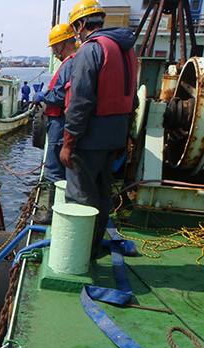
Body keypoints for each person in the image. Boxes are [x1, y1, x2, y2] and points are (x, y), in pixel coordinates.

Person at [60, 0, 138, 259]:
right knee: (103, 193)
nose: (76, 34)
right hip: (115, 136)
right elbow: (133, 100)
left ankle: (76, 256)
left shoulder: (90, 50)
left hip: (90, 138)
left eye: (75, 29)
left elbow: (80, 101)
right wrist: (126, 136)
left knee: (79, 194)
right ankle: (92, 249)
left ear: (81, 25)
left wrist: (68, 143)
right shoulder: (127, 51)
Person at [32, 23, 77, 224]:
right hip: (60, 121)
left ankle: (53, 213)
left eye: (53, 47)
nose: (52, 51)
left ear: (61, 44)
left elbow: (61, 95)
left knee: (54, 168)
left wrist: (44, 95)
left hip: (60, 122)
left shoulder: (69, 63)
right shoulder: (74, 61)